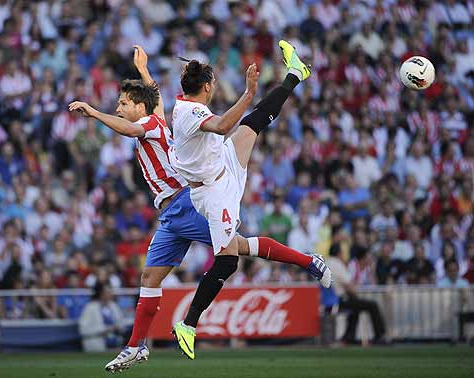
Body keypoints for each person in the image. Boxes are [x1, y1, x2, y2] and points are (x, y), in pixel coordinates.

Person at [69, 44, 330, 370]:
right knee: (150, 278)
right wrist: (144, 70)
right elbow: (154, 96)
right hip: (170, 215)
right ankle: (136, 347)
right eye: (117, 104)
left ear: (138, 107)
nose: (119, 108)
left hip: (186, 202)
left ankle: (307, 263)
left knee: (234, 251)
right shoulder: (162, 115)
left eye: (123, 104)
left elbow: (130, 127)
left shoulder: (148, 125)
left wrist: (94, 112)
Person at [169, 40, 331, 359]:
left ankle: (296, 74)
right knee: (230, 258)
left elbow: (224, 126)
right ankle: (188, 324)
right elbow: (222, 124)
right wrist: (248, 92)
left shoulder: (184, 103)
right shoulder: (191, 111)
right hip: (214, 192)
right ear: (205, 86)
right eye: (213, 83)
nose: (215, 88)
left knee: (255, 122)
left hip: (220, 164)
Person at [326, 243, 386, 344]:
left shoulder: (325, 263)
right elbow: (350, 288)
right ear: (339, 253)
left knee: (355, 307)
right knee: (372, 305)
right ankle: (380, 336)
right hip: (338, 300)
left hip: (326, 300)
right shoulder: (337, 264)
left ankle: (349, 337)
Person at [78, 282, 125, 352]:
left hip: (116, 346)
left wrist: (117, 328)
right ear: (100, 293)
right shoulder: (90, 307)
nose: (110, 294)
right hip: (96, 346)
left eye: (110, 291)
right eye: (107, 292)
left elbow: (122, 324)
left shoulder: (114, 306)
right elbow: (83, 330)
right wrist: (104, 329)